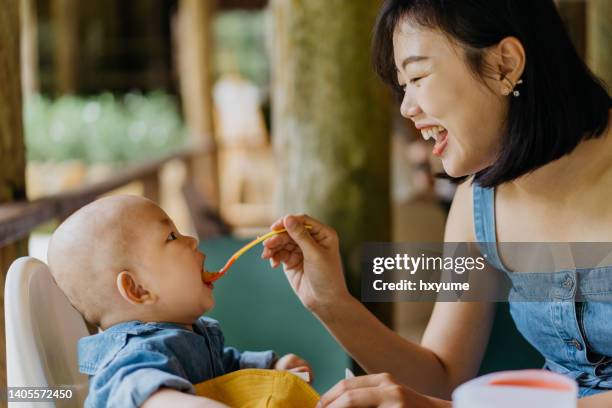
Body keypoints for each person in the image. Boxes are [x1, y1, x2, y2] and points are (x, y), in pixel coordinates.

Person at [261, 0, 612, 406]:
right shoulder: (478, 203)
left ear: (505, 64)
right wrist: (332, 302)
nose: (407, 108)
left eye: (418, 76)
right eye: (402, 86)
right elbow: (441, 376)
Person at [47, 195, 312, 408]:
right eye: (171, 237)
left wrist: (270, 366)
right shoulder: (137, 353)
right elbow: (139, 390)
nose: (192, 240)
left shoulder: (190, 335)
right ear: (137, 289)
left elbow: (223, 370)